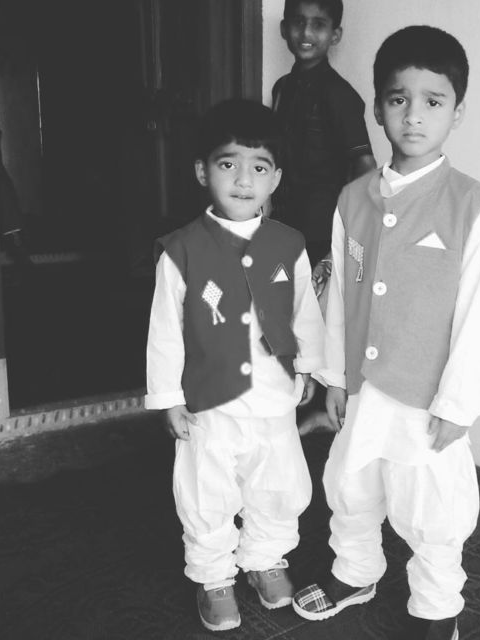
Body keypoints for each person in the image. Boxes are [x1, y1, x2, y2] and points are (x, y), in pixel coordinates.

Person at [291, 26, 480, 640]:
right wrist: (334, 377)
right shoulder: (352, 199)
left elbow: (477, 313)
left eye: (433, 101)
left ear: (456, 111)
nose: (414, 115)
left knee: (431, 506)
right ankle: (355, 572)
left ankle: (437, 608)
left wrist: (459, 403)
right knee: (350, 484)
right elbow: (339, 297)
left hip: (426, 395)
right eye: (398, 99)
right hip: (362, 387)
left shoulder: (473, 206)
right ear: (378, 107)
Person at [144, 99, 325, 632]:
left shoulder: (289, 244)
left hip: (273, 394)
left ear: (276, 179)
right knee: (208, 488)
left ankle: (266, 557)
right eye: (228, 164)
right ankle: (213, 574)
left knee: (277, 481)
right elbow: (164, 332)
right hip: (210, 399)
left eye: (259, 167)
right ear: (203, 171)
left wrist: (308, 367)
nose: (244, 180)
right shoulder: (180, 251)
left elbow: (305, 312)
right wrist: (168, 398)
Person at [274, 0, 376, 433]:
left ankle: (317, 410)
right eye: (298, 23)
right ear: (284, 29)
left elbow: (365, 168)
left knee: (319, 317)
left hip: (322, 228)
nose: (306, 33)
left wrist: (353, 232)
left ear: (335, 35)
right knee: (284, 313)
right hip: (283, 224)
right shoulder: (282, 88)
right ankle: (283, 405)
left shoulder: (340, 95)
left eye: (318, 25)